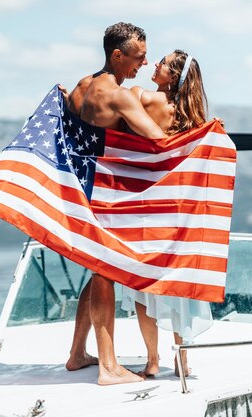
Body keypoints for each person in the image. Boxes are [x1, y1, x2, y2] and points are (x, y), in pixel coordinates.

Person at [61, 22, 166, 386]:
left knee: (95, 268)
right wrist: (205, 135)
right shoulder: (120, 96)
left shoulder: (81, 87)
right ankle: (108, 367)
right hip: (108, 192)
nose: (144, 63)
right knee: (105, 270)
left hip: (80, 189)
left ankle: (78, 354)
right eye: (138, 57)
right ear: (117, 55)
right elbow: (160, 142)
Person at [123, 50, 212, 377]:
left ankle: (152, 360)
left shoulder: (140, 97)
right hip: (175, 208)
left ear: (172, 77)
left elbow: (102, 105)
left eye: (160, 62)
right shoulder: (193, 118)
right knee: (175, 284)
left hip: (145, 205)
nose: (154, 65)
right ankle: (183, 360)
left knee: (141, 285)